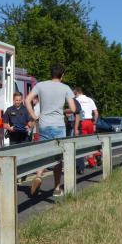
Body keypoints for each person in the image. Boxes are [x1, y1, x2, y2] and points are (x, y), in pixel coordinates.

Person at [24, 63, 77, 197]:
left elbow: (27, 100)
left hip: (43, 124)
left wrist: (34, 116)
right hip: (59, 125)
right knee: (58, 158)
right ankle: (57, 188)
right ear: (62, 75)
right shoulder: (65, 88)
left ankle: (38, 176)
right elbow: (74, 109)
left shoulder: (40, 85)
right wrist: (63, 110)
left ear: (51, 73)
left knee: (43, 153)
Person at [74, 86, 100, 172]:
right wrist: (94, 123)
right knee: (92, 141)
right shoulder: (90, 99)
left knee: (85, 144)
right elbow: (96, 113)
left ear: (77, 92)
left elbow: (75, 112)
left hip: (82, 122)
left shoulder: (76, 100)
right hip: (90, 122)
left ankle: (92, 162)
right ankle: (97, 154)